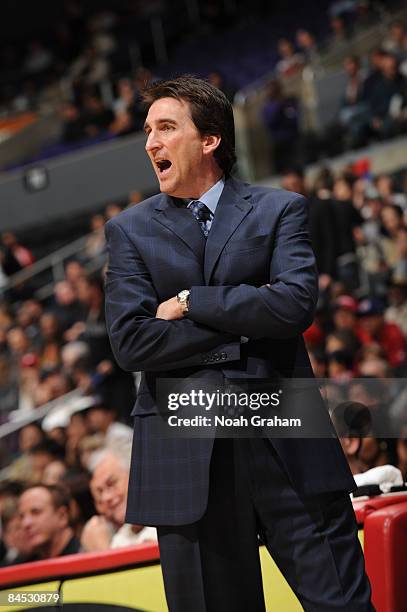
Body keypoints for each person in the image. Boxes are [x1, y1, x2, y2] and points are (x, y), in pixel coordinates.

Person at [104, 76, 373, 611]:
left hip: (286, 437)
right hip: (185, 448)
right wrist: (251, 312)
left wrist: (189, 302)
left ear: (209, 140)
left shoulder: (280, 209)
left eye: (165, 128)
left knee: (343, 604)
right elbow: (133, 342)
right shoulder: (129, 231)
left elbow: (295, 305)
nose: (150, 143)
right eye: (147, 132)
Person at [16, 484, 80, 563]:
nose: (25, 523)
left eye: (36, 512)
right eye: (22, 516)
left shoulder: (86, 555)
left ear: (62, 516)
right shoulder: (25, 564)